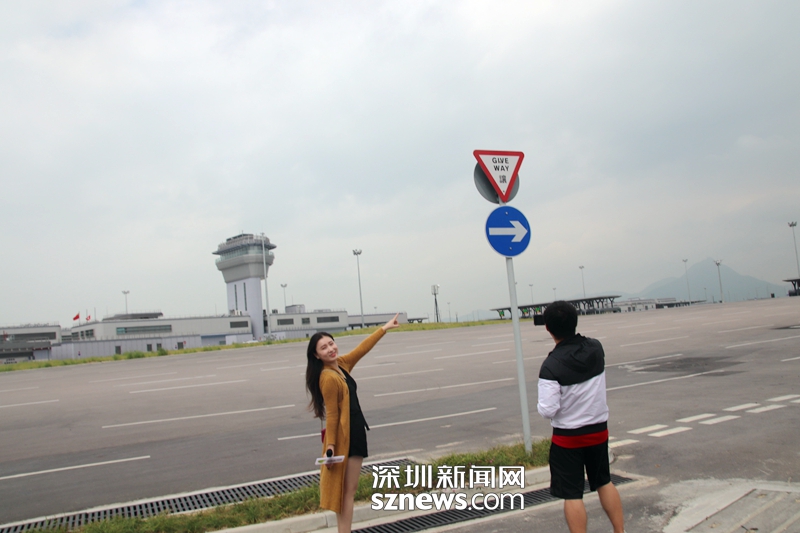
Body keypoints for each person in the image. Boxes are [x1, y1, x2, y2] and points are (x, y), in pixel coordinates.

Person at [305, 314, 400, 533]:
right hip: (346, 437)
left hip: (355, 430)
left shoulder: (341, 365)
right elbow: (332, 415)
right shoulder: (328, 377)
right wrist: (330, 446)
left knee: (347, 491)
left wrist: (384, 329)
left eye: (331, 343)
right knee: (347, 492)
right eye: (324, 348)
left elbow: (361, 349)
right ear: (316, 355)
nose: (330, 349)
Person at [537, 301, 624, 533]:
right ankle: (620, 530)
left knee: (573, 494)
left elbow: (548, 410)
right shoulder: (595, 348)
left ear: (548, 328)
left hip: (568, 438)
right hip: (598, 431)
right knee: (604, 482)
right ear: (575, 322)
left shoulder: (551, 365)